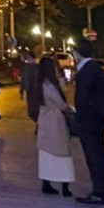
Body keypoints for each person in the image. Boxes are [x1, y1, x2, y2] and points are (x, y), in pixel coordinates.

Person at [72, 38, 104, 205]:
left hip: (89, 121)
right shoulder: (96, 68)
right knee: (100, 154)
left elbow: (82, 98)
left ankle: (99, 192)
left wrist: (78, 118)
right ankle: (103, 189)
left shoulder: (86, 71)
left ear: (77, 54)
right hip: (98, 119)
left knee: (94, 156)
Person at [28, 55, 75, 196]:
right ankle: (64, 186)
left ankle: (47, 183)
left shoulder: (41, 84)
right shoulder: (48, 85)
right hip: (55, 121)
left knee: (47, 154)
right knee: (61, 154)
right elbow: (61, 103)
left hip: (45, 121)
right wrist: (70, 108)